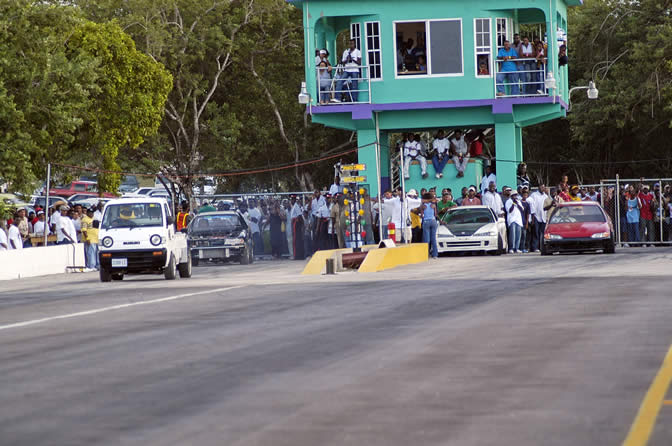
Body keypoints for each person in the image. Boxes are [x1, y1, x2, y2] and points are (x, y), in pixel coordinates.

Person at [414, 192, 438, 259]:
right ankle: (435, 254)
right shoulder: (433, 205)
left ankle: (426, 254)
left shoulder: (423, 206)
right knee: (433, 239)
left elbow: (422, 215)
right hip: (433, 221)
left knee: (426, 239)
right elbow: (435, 214)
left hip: (426, 222)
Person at [528, 184, 549, 252]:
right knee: (536, 233)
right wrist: (532, 217)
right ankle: (535, 247)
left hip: (543, 217)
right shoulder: (534, 195)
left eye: (544, 187)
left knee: (542, 233)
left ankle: (541, 247)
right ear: (538, 187)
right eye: (541, 187)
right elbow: (531, 205)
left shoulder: (545, 196)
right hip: (536, 216)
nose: (543, 188)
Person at [290, 196, 305, 260]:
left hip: (296, 224)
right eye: (291, 199)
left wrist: (302, 225)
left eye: (292, 199)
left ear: (294, 200)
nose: (291, 201)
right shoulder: (293, 207)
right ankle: (297, 255)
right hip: (294, 223)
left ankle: (298, 256)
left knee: (297, 240)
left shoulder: (296, 206)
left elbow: (299, 216)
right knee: (296, 240)